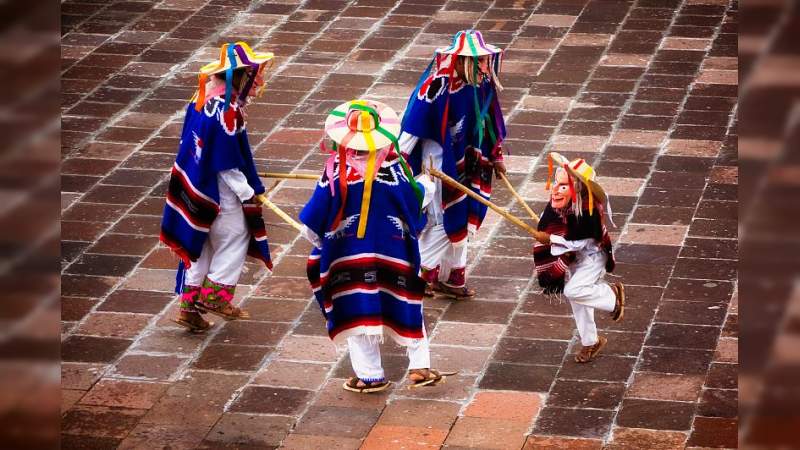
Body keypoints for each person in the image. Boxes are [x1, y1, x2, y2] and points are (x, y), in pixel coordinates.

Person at [299, 99, 449, 392]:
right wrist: (428, 185)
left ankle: (370, 375)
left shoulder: (336, 173)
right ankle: (420, 366)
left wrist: (321, 242)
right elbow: (414, 203)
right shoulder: (396, 169)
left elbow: (313, 222)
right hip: (394, 252)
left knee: (356, 305)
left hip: (348, 255)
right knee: (408, 301)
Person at [160, 42, 275, 333]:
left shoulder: (201, 99)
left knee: (201, 246)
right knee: (235, 235)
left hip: (194, 183)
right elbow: (226, 163)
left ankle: (189, 309)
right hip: (217, 188)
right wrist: (249, 192)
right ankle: (215, 296)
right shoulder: (228, 111)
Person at [399, 29, 507, 300]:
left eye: (485, 60)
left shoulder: (481, 82)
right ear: (461, 60)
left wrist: (496, 156)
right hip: (437, 165)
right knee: (441, 222)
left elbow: (490, 122)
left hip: (468, 160)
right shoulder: (434, 88)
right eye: (479, 60)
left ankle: (451, 277)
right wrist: (392, 165)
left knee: (464, 218)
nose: (485, 66)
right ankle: (417, 277)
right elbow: (410, 131)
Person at [532, 152, 625, 363]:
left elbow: (580, 241)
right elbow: (550, 223)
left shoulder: (589, 210)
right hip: (573, 258)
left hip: (592, 256)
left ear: (577, 189)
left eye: (563, 186)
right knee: (579, 301)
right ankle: (590, 342)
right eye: (556, 183)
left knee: (574, 291)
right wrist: (545, 234)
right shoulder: (558, 202)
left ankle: (611, 295)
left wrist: (551, 238)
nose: (555, 190)